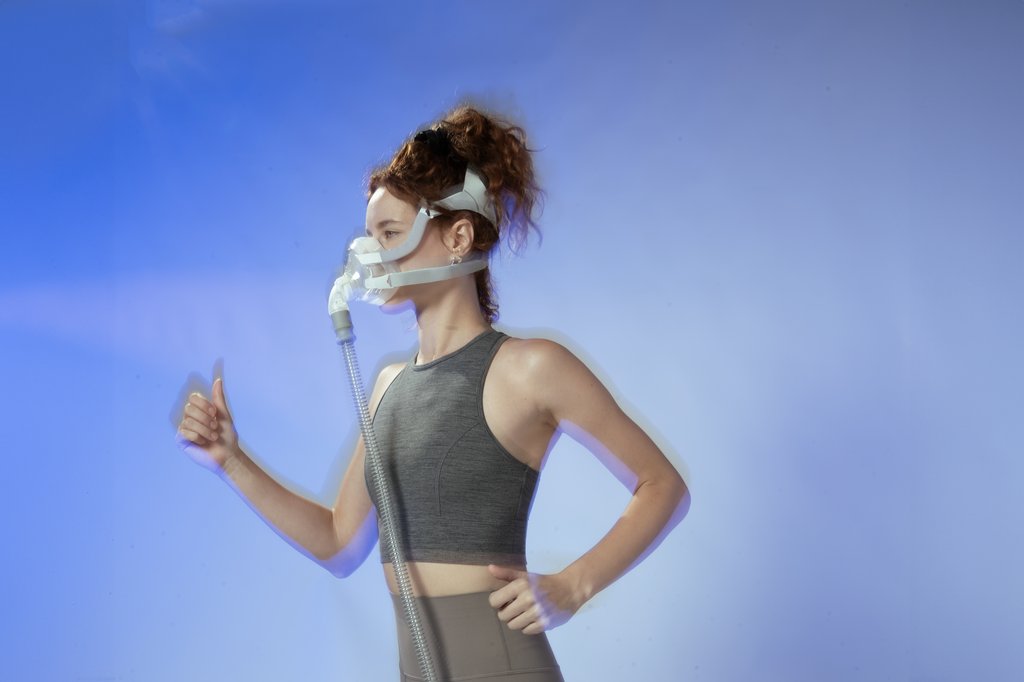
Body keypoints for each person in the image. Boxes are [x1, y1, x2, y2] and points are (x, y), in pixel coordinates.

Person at [175, 104, 689, 681]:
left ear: (457, 236)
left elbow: (662, 485)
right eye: (369, 236)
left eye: (389, 234)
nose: (370, 255)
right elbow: (340, 544)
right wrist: (232, 461)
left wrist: (573, 584)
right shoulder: (389, 388)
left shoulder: (531, 368)